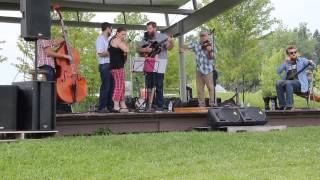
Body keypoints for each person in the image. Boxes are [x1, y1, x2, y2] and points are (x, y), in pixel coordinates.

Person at [138, 21, 174, 112]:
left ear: (155, 28)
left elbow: (169, 48)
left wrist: (171, 41)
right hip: (149, 63)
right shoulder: (146, 37)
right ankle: (150, 105)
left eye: (150, 29)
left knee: (159, 85)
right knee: (149, 84)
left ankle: (159, 105)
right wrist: (146, 49)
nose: (148, 30)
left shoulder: (163, 37)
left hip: (160, 63)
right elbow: (138, 49)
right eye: (147, 29)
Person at [181, 31, 216, 107]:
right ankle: (201, 105)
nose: (202, 37)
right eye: (201, 36)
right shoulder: (196, 44)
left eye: (204, 35)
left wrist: (209, 51)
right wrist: (183, 48)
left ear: (207, 36)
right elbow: (187, 46)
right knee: (199, 89)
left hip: (208, 70)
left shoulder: (211, 45)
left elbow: (212, 57)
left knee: (210, 87)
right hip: (199, 70)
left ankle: (212, 104)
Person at [276, 46, 316, 110]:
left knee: (288, 83)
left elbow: (314, 66)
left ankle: (289, 106)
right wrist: (285, 62)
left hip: (300, 83)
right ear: (288, 55)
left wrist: (311, 62)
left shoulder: (302, 60)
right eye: (291, 53)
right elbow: (278, 71)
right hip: (288, 83)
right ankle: (282, 105)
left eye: (295, 52)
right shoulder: (287, 63)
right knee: (278, 83)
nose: (294, 54)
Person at [108, 27, 129, 113]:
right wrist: (124, 44)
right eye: (122, 34)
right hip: (116, 66)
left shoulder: (117, 40)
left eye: (125, 35)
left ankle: (122, 103)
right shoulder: (116, 40)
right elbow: (126, 49)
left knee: (122, 85)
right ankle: (116, 105)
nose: (123, 36)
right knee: (119, 85)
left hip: (118, 65)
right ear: (117, 33)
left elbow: (124, 53)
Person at [95, 22, 114, 113]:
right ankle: (102, 107)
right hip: (104, 65)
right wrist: (112, 51)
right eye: (111, 29)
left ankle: (110, 106)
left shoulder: (110, 39)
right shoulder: (100, 39)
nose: (112, 31)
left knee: (112, 86)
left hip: (112, 65)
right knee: (105, 86)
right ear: (107, 28)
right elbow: (100, 54)